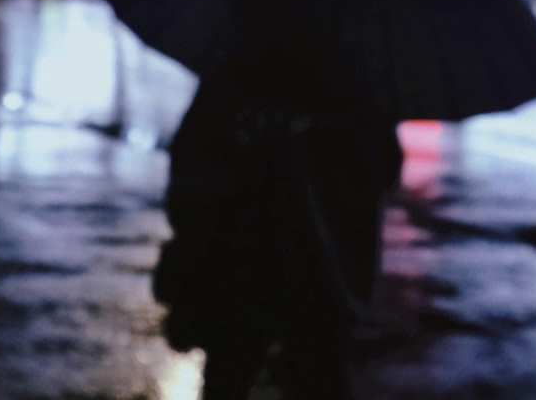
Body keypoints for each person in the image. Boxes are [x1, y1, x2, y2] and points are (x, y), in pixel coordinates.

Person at [153, 34, 403, 399]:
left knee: (236, 375)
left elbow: (190, 170)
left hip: (248, 271)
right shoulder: (351, 80)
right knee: (314, 374)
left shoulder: (235, 73)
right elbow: (383, 168)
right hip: (314, 277)